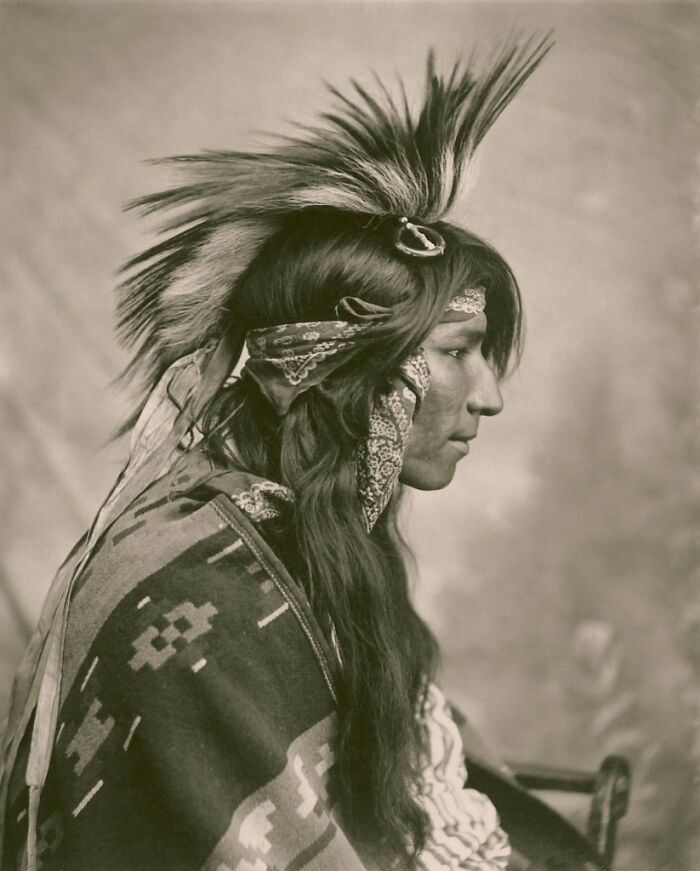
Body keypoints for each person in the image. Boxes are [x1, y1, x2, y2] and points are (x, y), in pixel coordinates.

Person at [0, 38, 602, 871]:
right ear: (346, 371)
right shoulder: (197, 601)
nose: (489, 395)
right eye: (459, 351)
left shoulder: (315, 538)